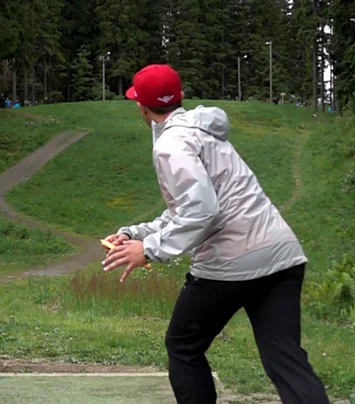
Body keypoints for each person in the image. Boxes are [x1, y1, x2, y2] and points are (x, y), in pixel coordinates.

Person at [101, 64, 330, 404]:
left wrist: (149, 250)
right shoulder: (202, 130)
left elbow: (203, 212)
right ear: (179, 98)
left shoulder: (171, 145)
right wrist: (136, 233)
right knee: (286, 360)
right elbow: (190, 207)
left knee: (183, 345)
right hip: (281, 255)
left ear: (142, 107)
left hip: (230, 261)